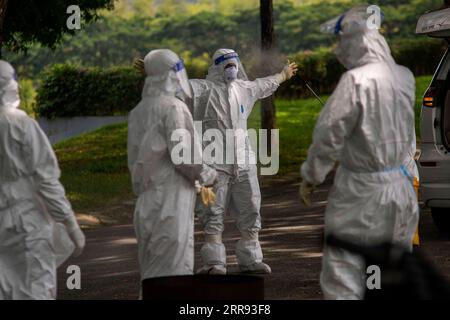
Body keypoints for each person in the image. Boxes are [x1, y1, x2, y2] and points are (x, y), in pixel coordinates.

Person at [299, 6, 419, 299]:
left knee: (345, 269)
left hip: (362, 193)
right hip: (400, 188)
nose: (340, 49)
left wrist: (311, 176)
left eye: (343, 41)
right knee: (388, 271)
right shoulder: (404, 76)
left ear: (356, 42)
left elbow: (329, 134)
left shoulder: (355, 81)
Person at [190, 49, 298, 275]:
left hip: (244, 163)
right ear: (216, 66)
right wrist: (154, 73)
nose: (231, 67)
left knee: (250, 207)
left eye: (233, 63)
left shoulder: (243, 89)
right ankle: (214, 263)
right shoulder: (203, 89)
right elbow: (178, 86)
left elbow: (264, 84)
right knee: (211, 210)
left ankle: (251, 259)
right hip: (213, 166)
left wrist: (283, 75)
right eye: (225, 63)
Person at [128, 49, 217, 282]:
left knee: (152, 278)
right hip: (170, 202)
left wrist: (199, 183)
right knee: (173, 277)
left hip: (146, 203)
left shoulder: (138, 112)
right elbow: (183, 156)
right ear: (171, 73)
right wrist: (208, 175)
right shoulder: (173, 108)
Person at [0, 60, 85, 300]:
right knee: (36, 286)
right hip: (26, 219)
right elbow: (46, 179)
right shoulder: (21, 124)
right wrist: (69, 222)